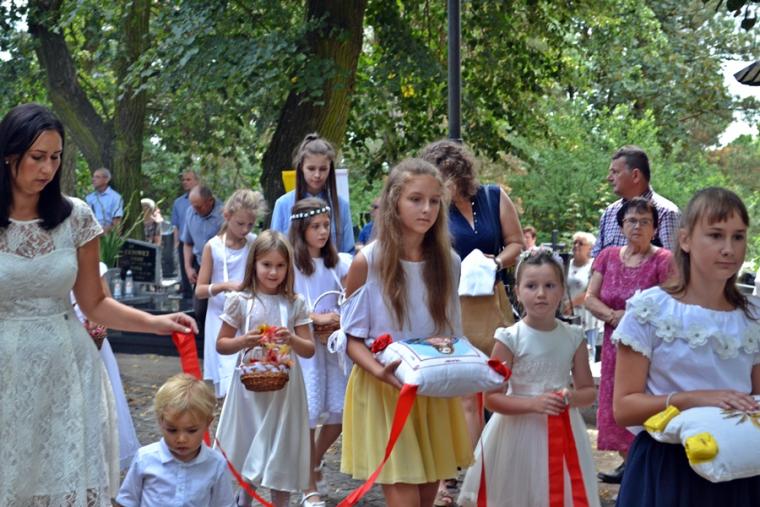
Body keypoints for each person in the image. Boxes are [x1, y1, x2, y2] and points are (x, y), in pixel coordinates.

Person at [0, 103, 197, 505]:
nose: (47, 168)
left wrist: (157, 323)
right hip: (5, 371)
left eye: (55, 157)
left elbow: (94, 303)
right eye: (37, 157)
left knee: (64, 481)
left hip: (66, 369)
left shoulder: (76, 217)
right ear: (8, 155)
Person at [613, 187, 760, 506]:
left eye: (738, 237)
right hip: (668, 470)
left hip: (738, 469)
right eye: (715, 235)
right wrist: (691, 399)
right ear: (685, 240)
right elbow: (623, 408)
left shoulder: (753, 316)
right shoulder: (650, 310)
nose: (729, 249)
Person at [339, 158, 472, 507]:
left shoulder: (449, 262)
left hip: (431, 389)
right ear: (394, 201)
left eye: (434, 201)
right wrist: (380, 371)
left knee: (425, 498)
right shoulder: (368, 262)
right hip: (385, 389)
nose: (426, 209)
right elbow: (351, 339)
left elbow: (451, 334)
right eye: (415, 199)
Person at [421, 139, 524, 502]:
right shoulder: (434, 211)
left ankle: (489, 466)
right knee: (463, 393)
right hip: (452, 305)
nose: (442, 188)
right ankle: (454, 474)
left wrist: (494, 262)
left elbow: (516, 243)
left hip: (492, 304)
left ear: (462, 175)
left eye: (447, 179)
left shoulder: (493, 197)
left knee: (495, 386)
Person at [458, 247, 599, 507]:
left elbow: (588, 391)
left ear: (562, 290)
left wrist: (571, 397)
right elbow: (492, 399)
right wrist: (533, 404)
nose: (541, 293)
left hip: (563, 428)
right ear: (518, 291)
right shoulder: (509, 338)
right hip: (515, 431)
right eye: (531, 286)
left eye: (550, 285)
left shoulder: (573, 337)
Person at [214, 230, 316, 507]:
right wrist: (243, 341)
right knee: (251, 441)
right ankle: (245, 498)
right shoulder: (241, 300)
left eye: (280, 265)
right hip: (250, 387)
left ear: (288, 267)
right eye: (266, 265)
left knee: (280, 448)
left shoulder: (294, 302)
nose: (273, 272)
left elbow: (309, 349)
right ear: (254, 264)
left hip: (285, 389)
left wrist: (291, 338)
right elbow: (222, 344)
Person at [584, 197, 673, 484]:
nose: (637, 226)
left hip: (647, 350)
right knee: (615, 409)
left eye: (645, 221)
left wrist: (634, 319)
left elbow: (672, 304)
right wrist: (614, 316)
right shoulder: (607, 256)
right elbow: (589, 297)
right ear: (622, 225)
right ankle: (630, 471)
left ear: (655, 228)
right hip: (613, 347)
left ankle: (642, 475)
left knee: (642, 408)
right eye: (631, 220)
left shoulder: (664, 260)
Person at [289, 197, 352, 505]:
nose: (323, 231)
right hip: (306, 349)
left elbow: (351, 296)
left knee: (339, 413)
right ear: (302, 229)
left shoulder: (338, 263)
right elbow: (287, 300)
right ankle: (308, 486)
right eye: (315, 226)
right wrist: (314, 317)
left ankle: (312, 462)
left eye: (326, 225)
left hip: (332, 349)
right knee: (309, 416)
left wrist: (340, 316)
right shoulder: (291, 264)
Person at [115, 373, 235, 507]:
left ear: (208, 423)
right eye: (172, 430)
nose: (181, 439)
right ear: (161, 422)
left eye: (191, 431)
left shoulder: (216, 464)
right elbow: (126, 501)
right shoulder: (145, 458)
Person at [195, 189, 267, 398]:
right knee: (227, 380)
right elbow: (200, 290)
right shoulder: (213, 247)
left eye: (250, 225)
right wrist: (224, 286)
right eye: (240, 223)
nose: (245, 229)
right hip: (220, 318)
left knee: (250, 375)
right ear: (227, 216)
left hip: (249, 316)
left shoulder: (254, 243)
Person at [71, 261, 141, 471]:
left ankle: (99, 452)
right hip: (62, 337)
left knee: (99, 397)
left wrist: (97, 327)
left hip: (91, 341)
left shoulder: (93, 266)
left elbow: (105, 303)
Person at [270, 133, 355, 253]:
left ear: (330, 169)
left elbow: (349, 252)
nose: (317, 175)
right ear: (301, 168)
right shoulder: (283, 204)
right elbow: (274, 249)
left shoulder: (341, 206)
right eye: (311, 168)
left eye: (323, 169)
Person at [592, 145, 681, 257]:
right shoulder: (609, 213)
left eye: (615, 172)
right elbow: (596, 260)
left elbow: (675, 264)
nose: (609, 178)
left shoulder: (666, 213)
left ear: (635, 175)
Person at [182, 184, 224, 336]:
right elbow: (187, 243)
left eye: (198, 206)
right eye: (192, 206)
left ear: (210, 201)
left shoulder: (224, 214)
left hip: (220, 267)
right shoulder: (190, 212)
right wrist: (188, 267)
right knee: (199, 309)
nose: (195, 209)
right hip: (200, 265)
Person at [563, 231, 602, 358]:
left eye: (581, 243)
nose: (576, 246)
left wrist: (570, 304)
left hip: (587, 318)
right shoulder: (566, 264)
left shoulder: (594, 265)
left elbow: (592, 290)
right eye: (574, 242)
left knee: (586, 356)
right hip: (566, 316)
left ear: (590, 248)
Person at [171, 170, 200, 297]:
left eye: (188, 179)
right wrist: (176, 243)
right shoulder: (178, 202)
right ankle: (187, 297)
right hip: (184, 242)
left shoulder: (205, 200)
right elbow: (176, 225)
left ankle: (199, 296)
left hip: (200, 242)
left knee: (200, 272)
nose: (185, 182)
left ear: (197, 181)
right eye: (183, 180)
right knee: (185, 273)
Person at [85, 167, 124, 233]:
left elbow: (117, 226)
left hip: (106, 235)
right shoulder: (89, 198)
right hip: (89, 233)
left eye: (97, 177)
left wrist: (99, 233)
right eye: (93, 177)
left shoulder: (115, 198)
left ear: (106, 180)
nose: (93, 179)